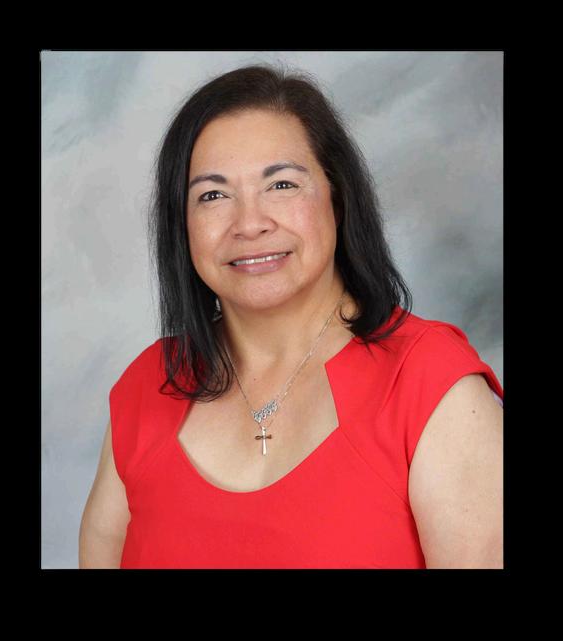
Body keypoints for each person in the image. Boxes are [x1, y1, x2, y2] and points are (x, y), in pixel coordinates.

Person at [79, 63, 503, 569]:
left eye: (281, 185)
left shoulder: (432, 387)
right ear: (181, 225)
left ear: (337, 198)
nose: (249, 224)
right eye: (213, 195)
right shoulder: (148, 385)